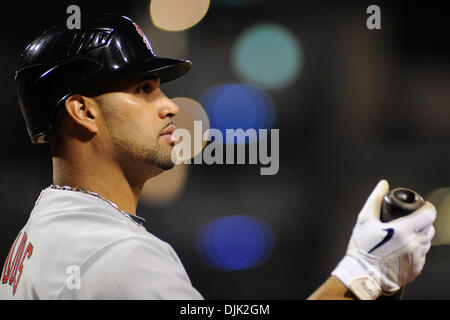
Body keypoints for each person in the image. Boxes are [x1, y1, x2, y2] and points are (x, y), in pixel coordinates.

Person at [0, 13, 436, 300]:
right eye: (142, 89)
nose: (169, 105)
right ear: (83, 111)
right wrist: (364, 272)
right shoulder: (117, 254)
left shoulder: (36, 237)